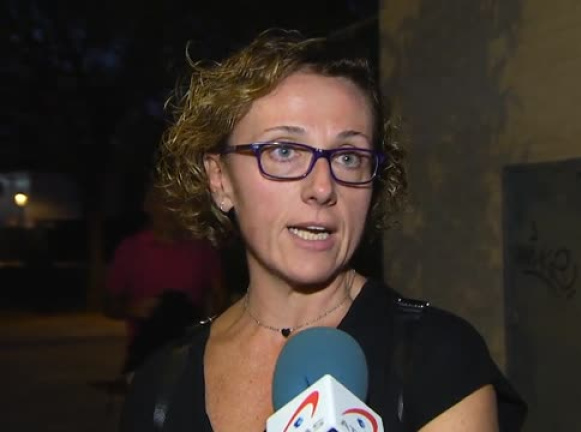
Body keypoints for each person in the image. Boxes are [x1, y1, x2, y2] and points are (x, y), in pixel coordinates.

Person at [120, 29, 527, 431]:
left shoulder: (437, 359)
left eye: (348, 157)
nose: (322, 187)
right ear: (220, 179)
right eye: (284, 151)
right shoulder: (160, 387)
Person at [105, 184, 225, 377]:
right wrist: (133, 308)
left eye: (175, 201)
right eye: (162, 200)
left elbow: (219, 300)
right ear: (147, 205)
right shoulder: (131, 249)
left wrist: (203, 323)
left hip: (191, 355)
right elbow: (109, 305)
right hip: (146, 358)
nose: (168, 208)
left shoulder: (202, 249)